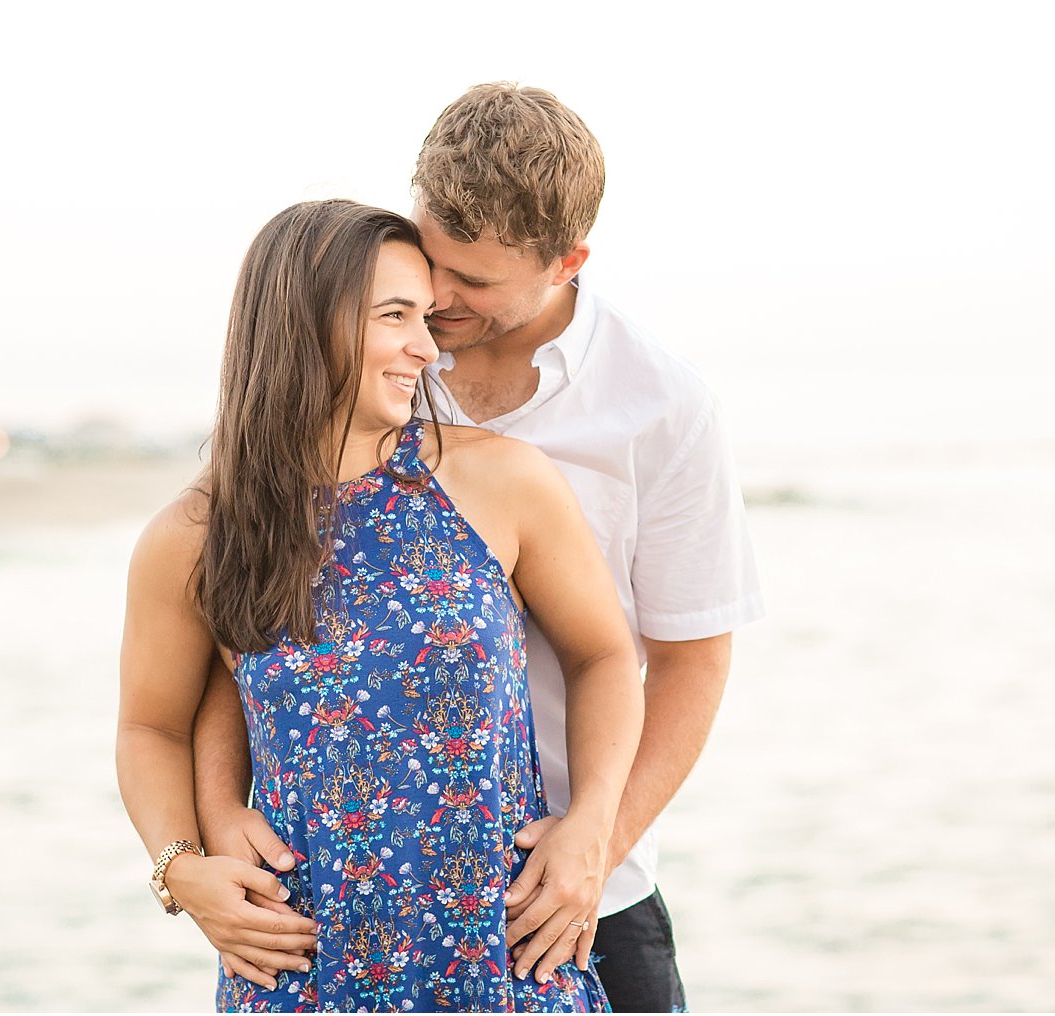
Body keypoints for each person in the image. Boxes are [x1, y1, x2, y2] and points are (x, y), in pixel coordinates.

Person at [193, 85, 766, 1012]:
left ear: (567, 262)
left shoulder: (662, 406)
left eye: (476, 283)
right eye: (433, 260)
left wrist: (593, 845)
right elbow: (238, 645)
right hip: (349, 907)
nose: (441, 302)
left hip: (570, 900)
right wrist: (209, 831)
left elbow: (689, 658)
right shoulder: (369, 366)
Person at [117, 198, 645, 1012]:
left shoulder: (501, 481)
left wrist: (594, 824)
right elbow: (151, 725)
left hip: (504, 965)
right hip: (303, 974)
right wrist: (180, 868)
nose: (427, 349)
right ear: (301, 323)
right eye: (396, 315)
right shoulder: (194, 535)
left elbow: (604, 655)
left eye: (426, 317)